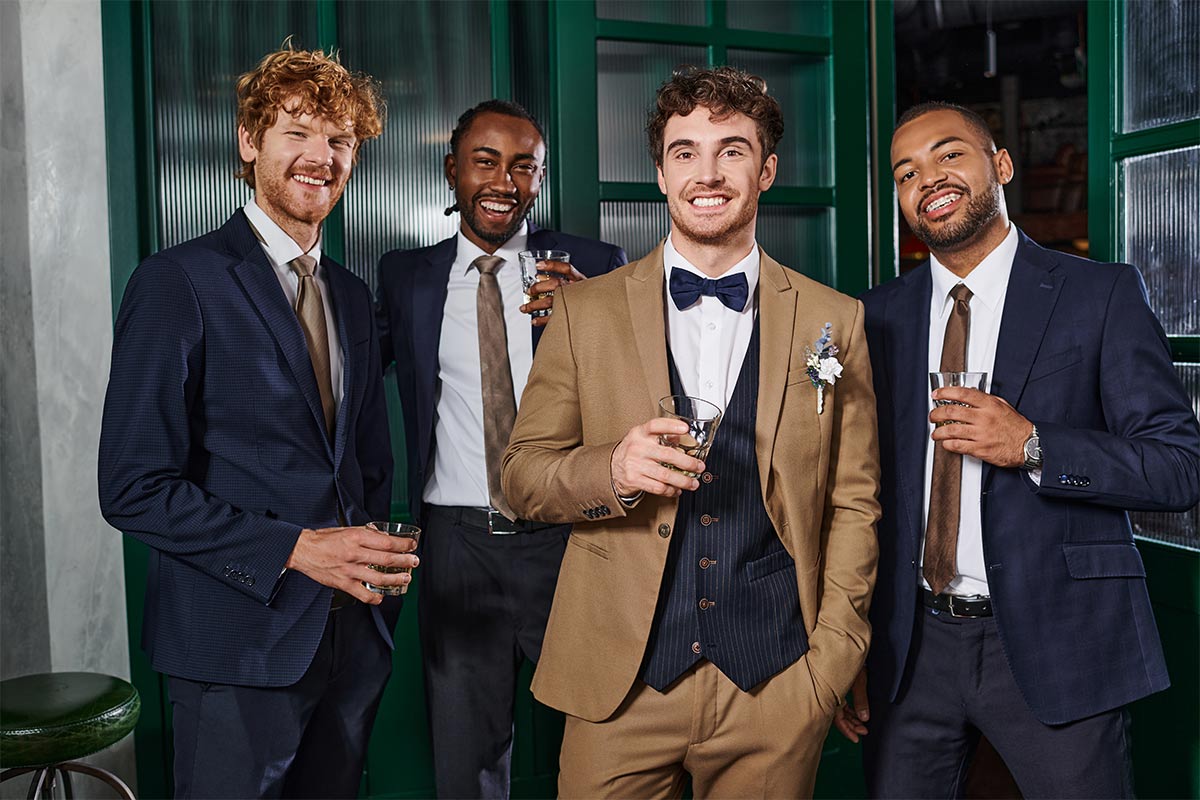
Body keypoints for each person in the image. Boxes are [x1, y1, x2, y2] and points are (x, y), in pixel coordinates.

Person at [501, 66, 881, 798]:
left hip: (774, 684)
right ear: (660, 172)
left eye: (731, 150)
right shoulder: (586, 312)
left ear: (766, 169)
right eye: (685, 152)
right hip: (619, 684)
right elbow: (523, 478)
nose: (707, 173)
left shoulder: (837, 320)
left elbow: (855, 503)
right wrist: (611, 469)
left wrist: (829, 662)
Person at [838, 101, 1200, 798]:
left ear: (1000, 165)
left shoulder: (1101, 294)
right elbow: (859, 494)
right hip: (912, 647)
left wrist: (1034, 445)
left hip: (1060, 638)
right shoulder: (873, 317)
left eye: (950, 155)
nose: (928, 179)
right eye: (905, 171)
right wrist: (854, 642)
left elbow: (1179, 465)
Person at [98, 46, 417, 798]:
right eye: (298, 132)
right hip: (233, 646)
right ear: (249, 142)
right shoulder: (177, 282)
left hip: (349, 643)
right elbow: (133, 487)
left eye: (341, 141)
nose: (322, 157)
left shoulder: (347, 291)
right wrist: (298, 550)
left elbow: (363, 466)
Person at [375, 99, 626, 799]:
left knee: (611, 737)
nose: (504, 181)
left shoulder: (594, 266)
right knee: (467, 756)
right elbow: (346, 386)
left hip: (570, 540)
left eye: (524, 167)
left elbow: (644, 393)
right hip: (457, 546)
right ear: (452, 170)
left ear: (540, 181)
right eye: (485, 161)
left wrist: (597, 317)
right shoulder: (407, 276)